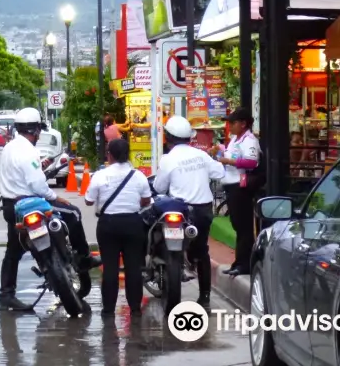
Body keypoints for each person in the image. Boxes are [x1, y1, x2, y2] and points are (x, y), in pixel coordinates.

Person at [0, 107, 97, 311]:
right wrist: (55, 196)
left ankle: (6, 295)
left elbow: (20, 174)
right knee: (74, 213)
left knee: (13, 252)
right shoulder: (29, 150)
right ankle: (84, 257)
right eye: (39, 131)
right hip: (33, 203)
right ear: (35, 130)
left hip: (12, 207)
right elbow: (36, 185)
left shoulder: (9, 148)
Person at [152, 115, 225, 307]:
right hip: (203, 211)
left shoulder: (168, 159)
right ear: (189, 138)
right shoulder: (201, 155)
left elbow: (159, 188)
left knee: (160, 234)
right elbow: (220, 173)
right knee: (201, 252)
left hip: (180, 210)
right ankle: (205, 296)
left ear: (168, 138)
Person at [84, 138, 151, 317]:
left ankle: (108, 310)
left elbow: (88, 201)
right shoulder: (138, 176)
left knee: (110, 267)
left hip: (108, 225)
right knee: (133, 267)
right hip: (133, 224)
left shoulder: (100, 175)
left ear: (110, 155)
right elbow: (146, 201)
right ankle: (135, 307)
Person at [210, 108, 260, 277]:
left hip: (241, 187)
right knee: (237, 225)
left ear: (243, 124)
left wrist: (227, 160)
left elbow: (251, 162)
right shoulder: (235, 139)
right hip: (231, 186)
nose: (229, 126)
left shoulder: (249, 140)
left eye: (232, 123)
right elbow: (231, 154)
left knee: (244, 227)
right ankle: (239, 262)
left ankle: (244, 264)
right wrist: (220, 150)